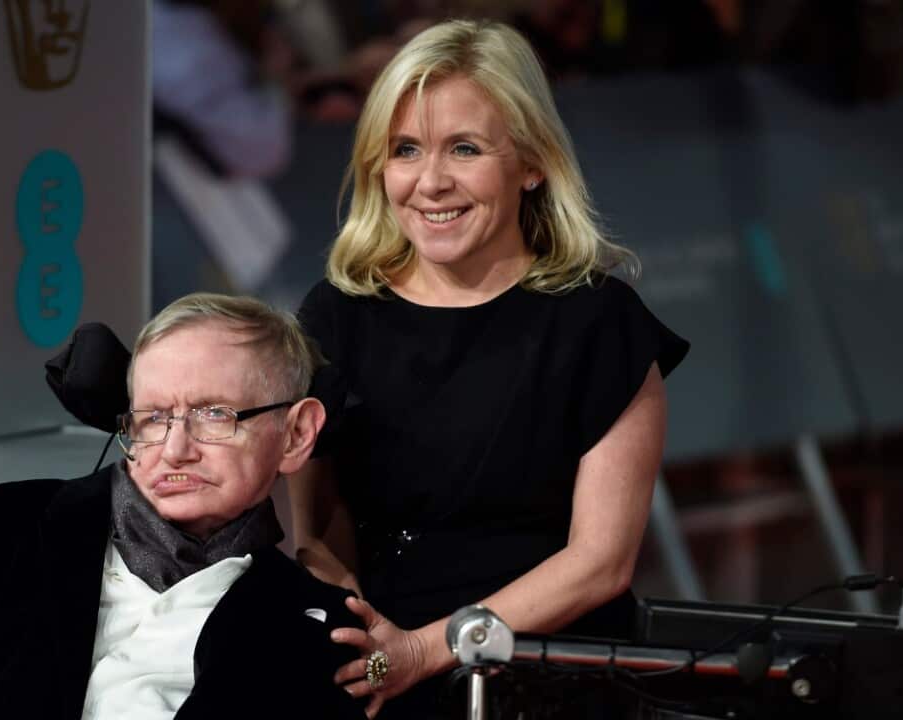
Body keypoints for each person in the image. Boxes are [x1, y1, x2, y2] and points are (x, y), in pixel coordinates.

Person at [290, 19, 690, 719]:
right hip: (380, 672)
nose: (431, 182)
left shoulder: (599, 323)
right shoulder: (335, 317)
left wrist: (423, 652)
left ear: (531, 163)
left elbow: (600, 562)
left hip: (549, 672)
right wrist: (377, 649)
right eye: (406, 150)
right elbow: (309, 535)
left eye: (465, 149)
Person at [0, 294, 368, 720]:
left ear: (296, 434)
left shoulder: (321, 630)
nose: (175, 450)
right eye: (152, 418)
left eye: (215, 414)